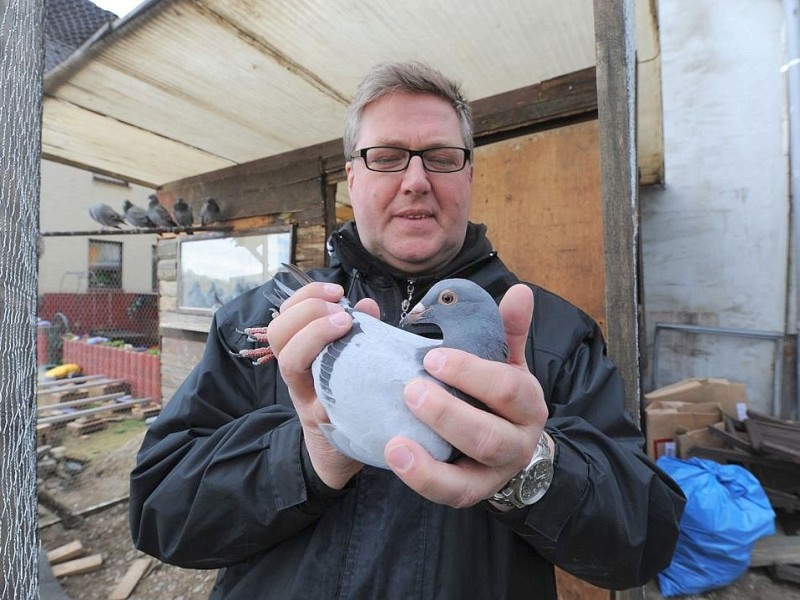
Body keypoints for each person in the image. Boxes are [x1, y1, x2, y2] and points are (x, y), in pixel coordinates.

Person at [129, 61, 685, 599]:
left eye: (441, 158)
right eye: (387, 157)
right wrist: (307, 456)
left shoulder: (558, 335)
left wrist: (532, 468)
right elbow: (158, 511)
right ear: (352, 176)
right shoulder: (266, 324)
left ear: (468, 175)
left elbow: (646, 541)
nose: (416, 181)